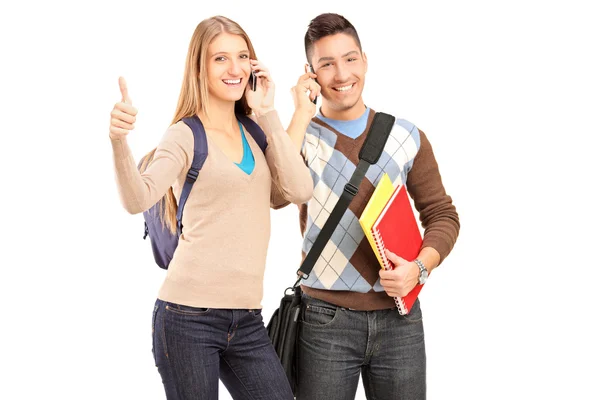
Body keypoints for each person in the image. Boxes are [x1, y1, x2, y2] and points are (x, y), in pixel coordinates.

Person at [108, 15, 312, 400]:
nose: (234, 69)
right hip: (187, 319)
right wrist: (119, 141)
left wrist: (269, 112)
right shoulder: (185, 134)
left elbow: (298, 190)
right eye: (220, 59)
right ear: (199, 67)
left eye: (242, 56)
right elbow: (138, 198)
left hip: (248, 320)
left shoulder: (256, 131)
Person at [283, 13, 461, 400]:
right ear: (310, 73)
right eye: (326, 64)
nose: (341, 73)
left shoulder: (406, 136)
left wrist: (420, 269)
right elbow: (277, 193)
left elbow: (442, 214)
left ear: (365, 60)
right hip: (323, 320)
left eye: (349, 59)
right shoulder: (299, 136)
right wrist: (299, 113)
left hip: (400, 318)